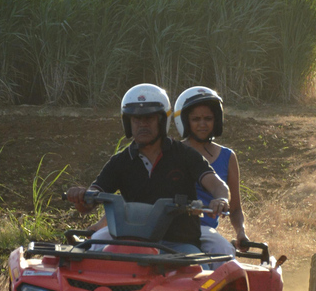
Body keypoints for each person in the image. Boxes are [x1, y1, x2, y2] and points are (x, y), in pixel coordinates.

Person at [66, 83, 231, 254]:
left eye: (149, 118)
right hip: (130, 241)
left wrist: (221, 199)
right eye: (136, 119)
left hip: (178, 244)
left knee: (202, 272)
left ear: (162, 121)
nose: (142, 124)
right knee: (91, 256)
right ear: (128, 123)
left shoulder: (185, 155)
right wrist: (81, 197)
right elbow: (89, 201)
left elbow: (217, 185)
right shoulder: (120, 161)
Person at [173, 86, 250, 260]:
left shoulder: (227, 156)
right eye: (196, 119)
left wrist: (241, 233)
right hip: (174, 226)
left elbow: (235, 208)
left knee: (224, 253)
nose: (202, 124)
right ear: (185, 121)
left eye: (208, 118)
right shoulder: (174, 153)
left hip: (204, 231)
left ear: (217, 121)